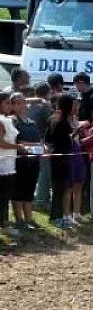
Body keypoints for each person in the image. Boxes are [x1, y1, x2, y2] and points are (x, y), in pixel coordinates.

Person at [10, 93, 42, 230]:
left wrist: (42, 147)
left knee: (29, 190)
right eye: (17, 103)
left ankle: (29, 218)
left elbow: (38, 141)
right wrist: (35, 147)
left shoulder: (32, 123)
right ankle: (19, 219)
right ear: (12, 106)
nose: (21, 106)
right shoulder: (12, 121)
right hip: (19, 162)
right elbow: (16, 142)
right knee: (18, 190)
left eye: (23, 102)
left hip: (33, 162)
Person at [0, 93, 27, 236]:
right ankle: (4, 224)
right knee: (3, 195)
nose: (9, 106)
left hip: (9, 162)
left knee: (5, 195)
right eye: (6, 103)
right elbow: (1, 143)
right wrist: (18, 147)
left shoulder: (7, 120)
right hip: (2, 163)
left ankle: (4, 223)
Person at [45, 94, 74, 228]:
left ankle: (59, 215)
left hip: (56, 155)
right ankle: (55, 216)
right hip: (61, 157)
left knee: (59, 188)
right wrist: (77, 130)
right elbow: (67, 138)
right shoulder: (62, 121)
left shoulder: (52, 118)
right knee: (59, 189)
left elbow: (48, 138)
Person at [28, 82, 53, 206]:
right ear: (48, 93)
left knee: (33, 171)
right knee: (44, 171)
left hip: (29, 142)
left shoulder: (28, 106)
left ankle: (33, 196)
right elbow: (50, 126)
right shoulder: (45, 107)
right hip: (42, 142)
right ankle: (41, 199)